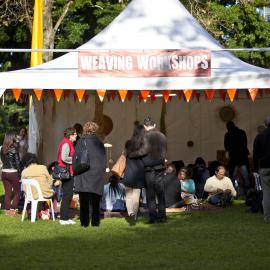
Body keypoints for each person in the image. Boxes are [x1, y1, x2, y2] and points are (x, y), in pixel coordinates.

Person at [73, 121, 106, 227]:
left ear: (85, 129)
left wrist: (75, 170)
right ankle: (95, 223)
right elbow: (103, 160)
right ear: (95, 130)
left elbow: (75, 158)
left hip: (84, 175)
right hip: (96, 175)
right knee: (96, 203)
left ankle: (84, 224)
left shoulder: (81, 142)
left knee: (84, 203)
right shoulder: (100, 143)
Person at [142, 117, 167, 223]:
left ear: (144, 126)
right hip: (160, 168)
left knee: (150, 194)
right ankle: (162, 216)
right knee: (160, 193)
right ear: (154, 125)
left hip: (148, 169)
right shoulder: (162, 136)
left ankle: (153, 217)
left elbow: (142, 152)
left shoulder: (143, 137)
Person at [122, 123, 146, 225]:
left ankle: (130, 213)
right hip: (139, 171)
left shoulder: (128, 143)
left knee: (128, 195)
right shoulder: (144, 144)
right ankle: (134, 216)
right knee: (136, 195)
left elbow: (124, 154)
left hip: (128, 170)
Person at [57, 127, 77, 225]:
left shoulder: (67, 142)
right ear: (71, 135)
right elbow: (64, 158)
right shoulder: (66, 143)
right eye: (75, 134)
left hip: (68, 172)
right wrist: (75, 159)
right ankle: (63, 219)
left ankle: (65, 217)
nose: (76, 135)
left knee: (68, 195)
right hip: (67, 172)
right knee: (67, 195)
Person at [224, 121, 250, 194]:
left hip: (233, 158)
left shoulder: (228, 135)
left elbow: (226, 147)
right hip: (242, 157)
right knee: (246, 176)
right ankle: (249, 193)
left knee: (232, 176)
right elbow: (245, 144)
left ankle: (232, 193)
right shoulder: (242, 132)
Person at [253, 115, 270, 223]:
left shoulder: (260, 136)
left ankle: (267, 218)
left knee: (267, 193)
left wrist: (255, 169)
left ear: (265, 124)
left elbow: (255, 155)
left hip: (264, 167)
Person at [0, 132, 21, 216]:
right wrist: (20, 173)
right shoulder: (14, 148)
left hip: (4, 172)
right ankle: (12, 209)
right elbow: (18, 162)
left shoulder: (1, 148)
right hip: (13, 172)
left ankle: (7, 210)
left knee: (7, 192)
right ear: (12, 138)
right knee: (17, 192)